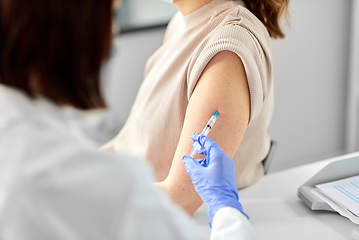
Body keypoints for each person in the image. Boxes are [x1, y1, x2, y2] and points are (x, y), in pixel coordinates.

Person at [0, 0, 256, 239]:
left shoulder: (226, 42)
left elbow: (180, 196)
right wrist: (226, 209)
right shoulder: (114, 190)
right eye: (111, 16)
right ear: (74, 32)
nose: (113, 37)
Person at [104, 0, 289, 215]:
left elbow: (179, 198)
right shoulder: (183, 20)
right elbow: (131, 140)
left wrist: (83, 193)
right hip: (132, 193)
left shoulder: (229, 48)